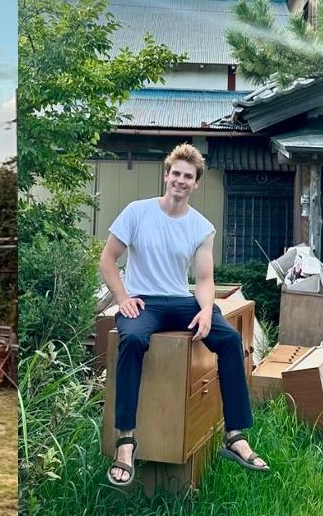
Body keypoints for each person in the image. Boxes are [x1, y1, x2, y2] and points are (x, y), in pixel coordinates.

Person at [100, 143, 269, 486]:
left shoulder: (201, 227)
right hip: (144, 301)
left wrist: (207, 310)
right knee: (132, 339)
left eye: (187, 176)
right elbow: (108, 260)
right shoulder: (136, 212)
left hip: (180, 301)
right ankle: (125, 441)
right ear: (166, 176)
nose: (180, 180)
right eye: (175, 173)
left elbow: (205, 280)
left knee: (229, 338)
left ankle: (234, 435)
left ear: (196, 184)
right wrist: (123, 297)